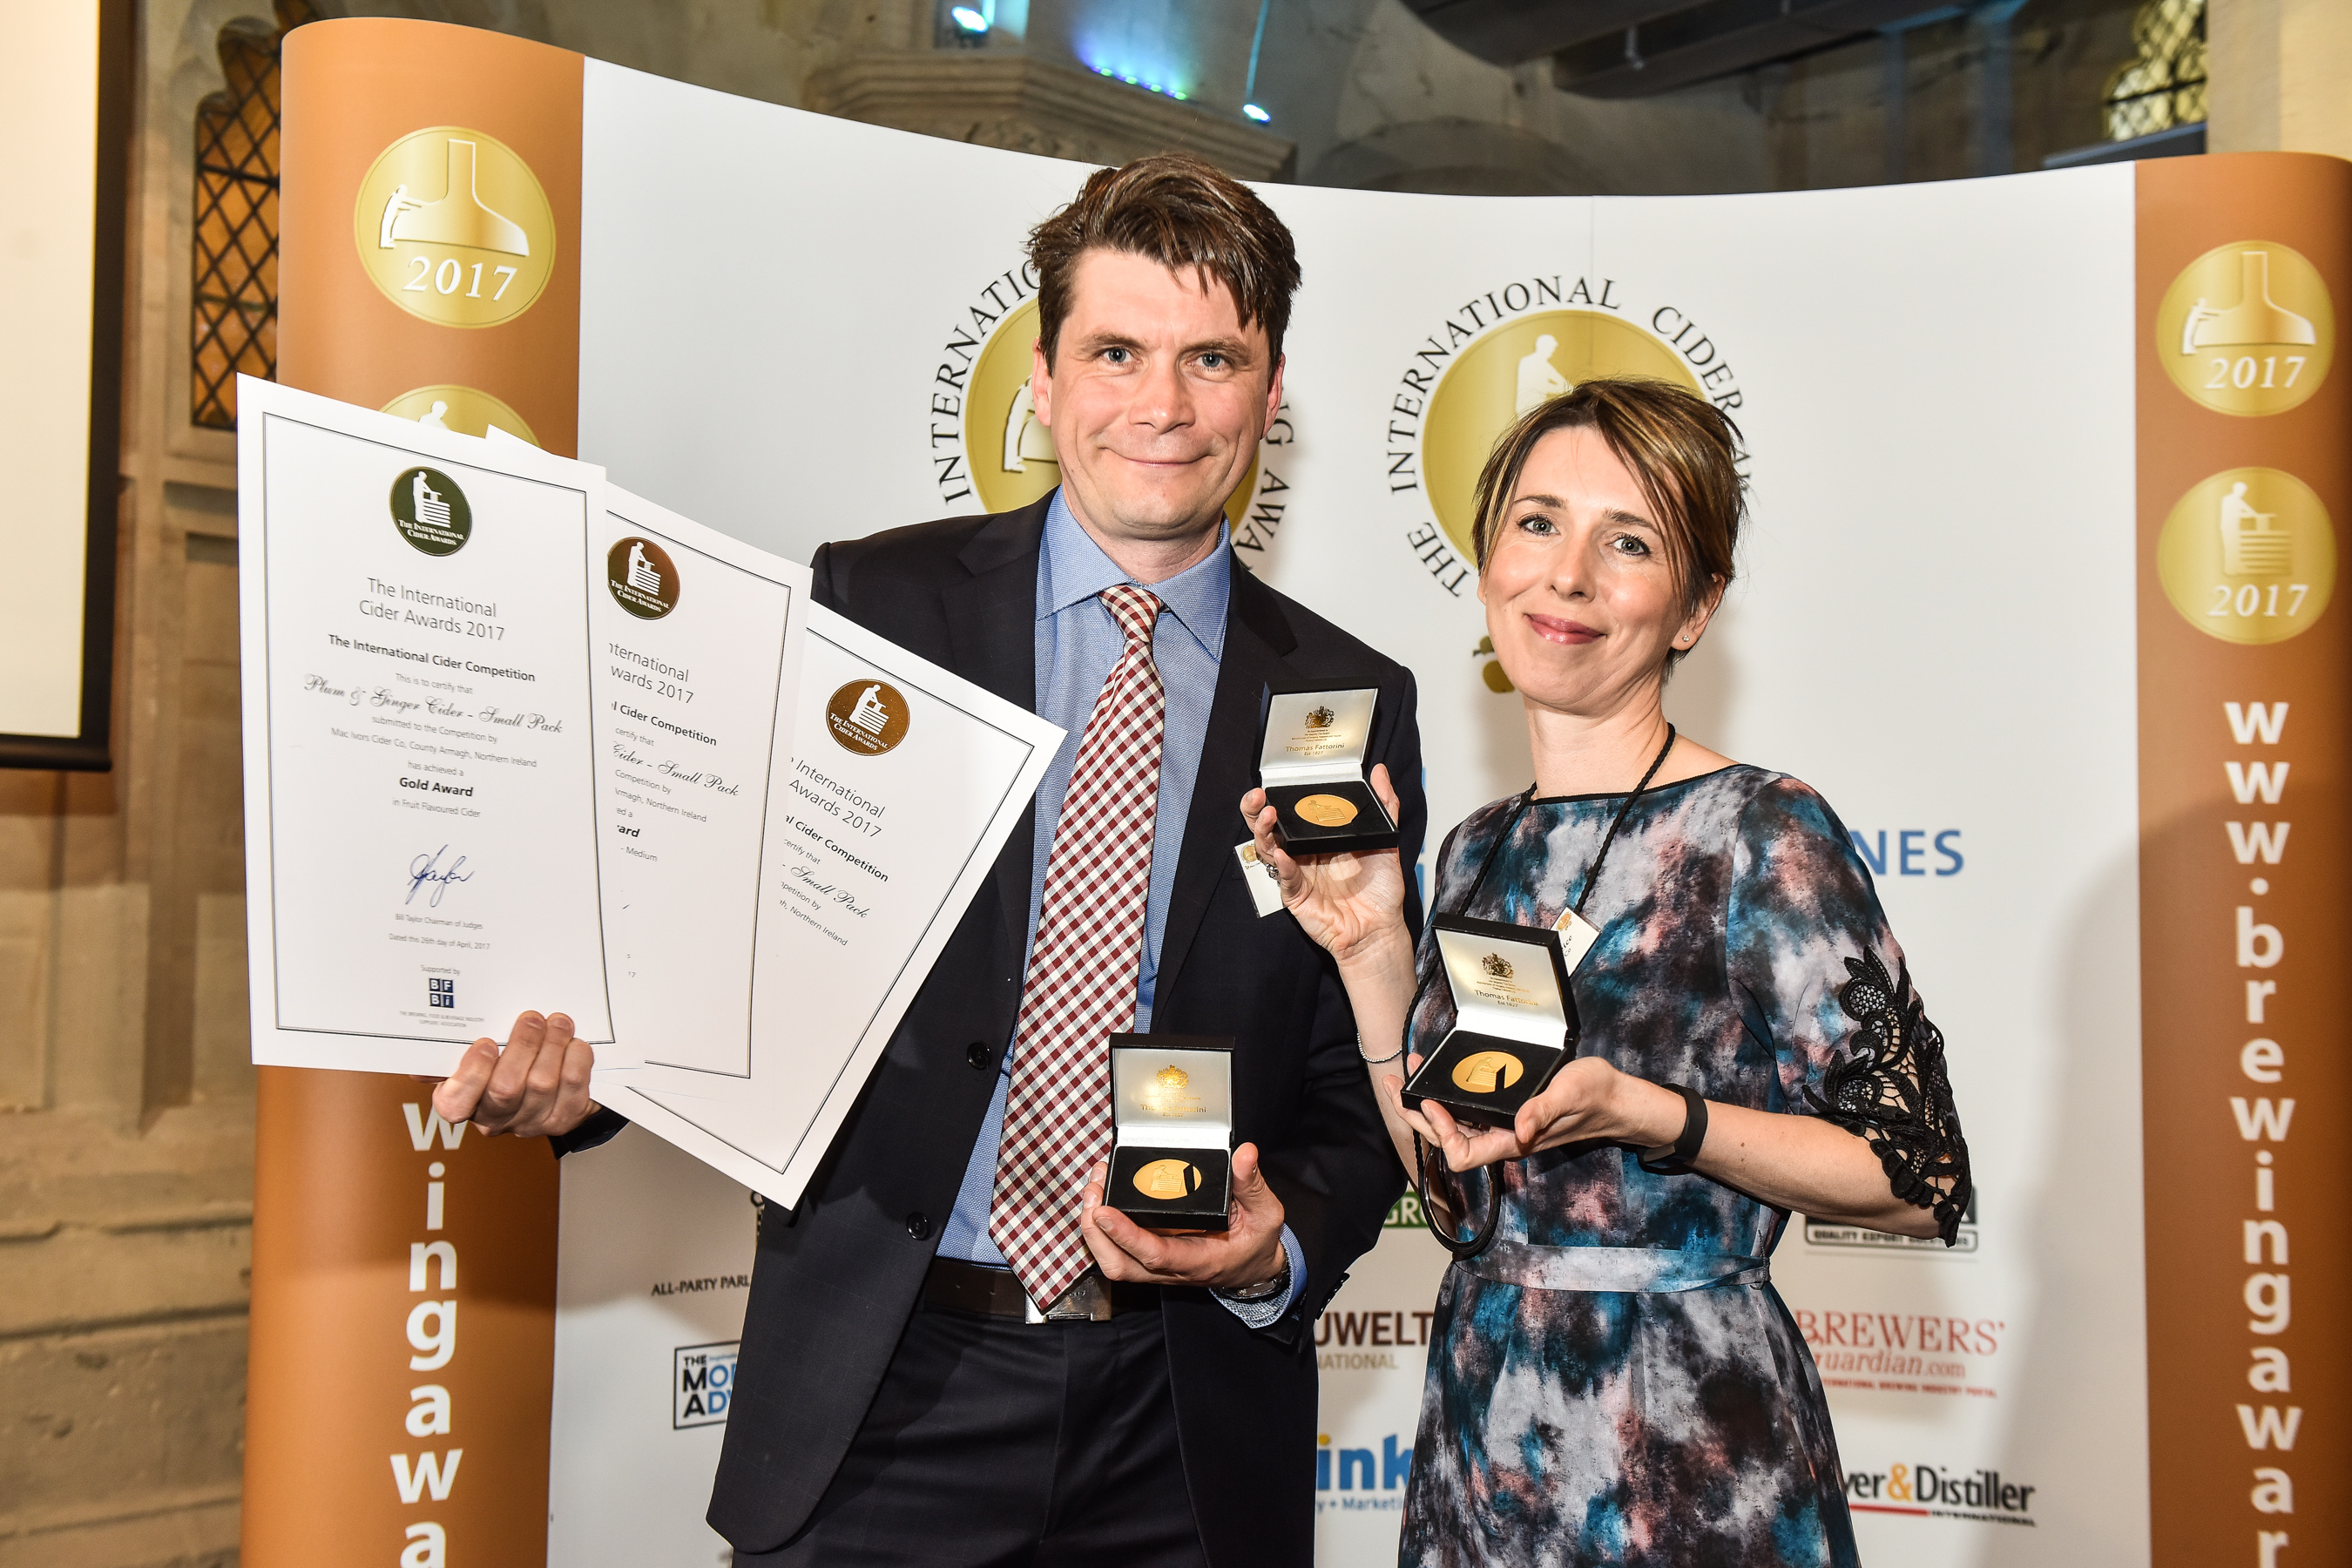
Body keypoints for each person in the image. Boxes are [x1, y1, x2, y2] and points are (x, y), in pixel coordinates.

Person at [426, 153, 1427, 1566]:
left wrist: (1279, 1249)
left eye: (1213, 359)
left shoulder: (1347, 695)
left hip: (1191, 1425)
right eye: (1116, 352)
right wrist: (597, 1081)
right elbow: (722, 933)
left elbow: (1354, 1084)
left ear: (1271, 398)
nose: (1162, 403)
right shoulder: (872, 606)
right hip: (884, 1394)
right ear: (1043, 380)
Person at [1242, 379, 1970, 1568]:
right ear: (1488, 561)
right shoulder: (1478, 847)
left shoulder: (1761, 831)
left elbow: (1921, 1175)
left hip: (1688, 1446)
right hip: (1483, 1435)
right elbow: (1451, 1181)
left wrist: (1652, 1115)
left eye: (1627, 541)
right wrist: (1372, 948)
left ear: (1696, 605)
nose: (1568, 576)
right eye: (1537, 523)